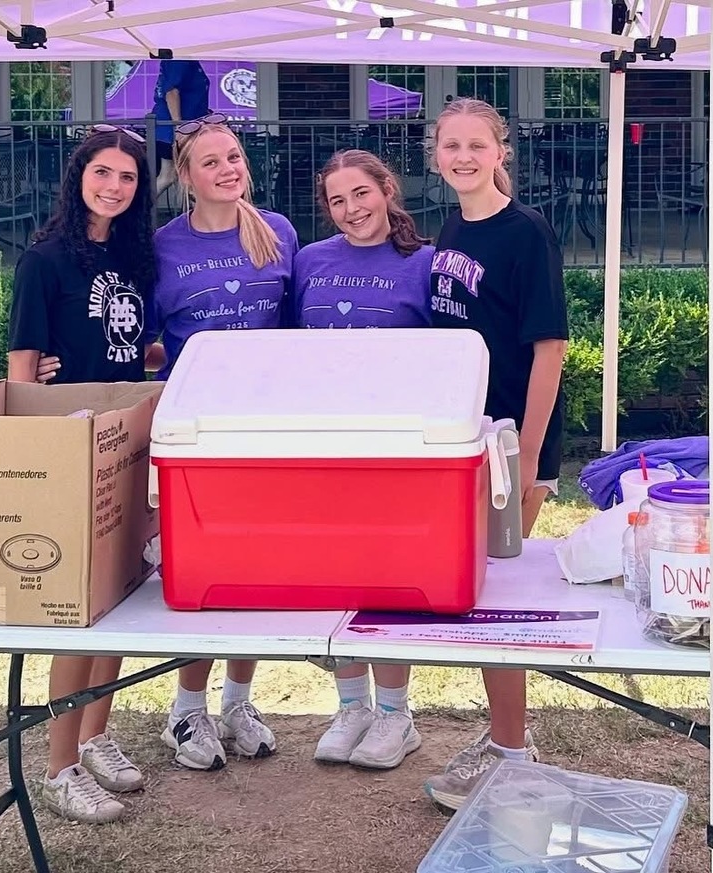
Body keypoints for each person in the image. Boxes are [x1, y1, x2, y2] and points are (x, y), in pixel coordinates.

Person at [34, 112, 298, 771]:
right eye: (209, 161)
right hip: (194, 430)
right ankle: (188, 710)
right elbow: (135, 339)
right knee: (205, 573)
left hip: (266, 426)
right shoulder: (162, 248)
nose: (227, 169)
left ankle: (239, 700)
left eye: (234, 156)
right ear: (185, 176)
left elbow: (295, 333)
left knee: (258, 570)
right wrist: (52, 363)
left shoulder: (281, 234)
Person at [7, 125, 160, 825]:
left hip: (127, 434)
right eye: (103, 172)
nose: (115, 186)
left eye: (128, 177)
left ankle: (96, 734)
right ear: (80, 177)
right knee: (78, 611)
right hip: (69, 440)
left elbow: (136, 341)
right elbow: (22, 365)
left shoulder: (136, 256)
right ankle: (59, 764)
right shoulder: (45, 259)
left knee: (121, 598)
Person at [422, 98, 569, 810]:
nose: (464, 157)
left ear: (500, 150)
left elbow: (552, 347)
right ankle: (505, 739)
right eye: (451, 145)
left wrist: (528, 454)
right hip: (468, 436)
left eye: (477, 145)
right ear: (436, 153)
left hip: (510, 444)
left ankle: (513, 751)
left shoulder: (525, 234)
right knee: (479, 595)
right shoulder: (455, 223)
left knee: (496, 601)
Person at [292, 149, 433, 769]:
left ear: (387, 190)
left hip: (395, 442)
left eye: (361, 194)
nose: (352, 210)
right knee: (329, 572)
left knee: (386, 576)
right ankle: (351, 705)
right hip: (321, 439)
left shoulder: (425, 263)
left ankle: (397, 716)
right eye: (337, 200)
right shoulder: (308, 261)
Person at [152, 60, 210, 197]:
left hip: (178, 130)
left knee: (176, 176)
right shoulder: (179, 58)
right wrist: (179, 127)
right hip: (173, 132)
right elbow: (171, 92)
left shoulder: (185, 60)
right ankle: (139, 210)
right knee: (173, 176)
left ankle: (140, 211)